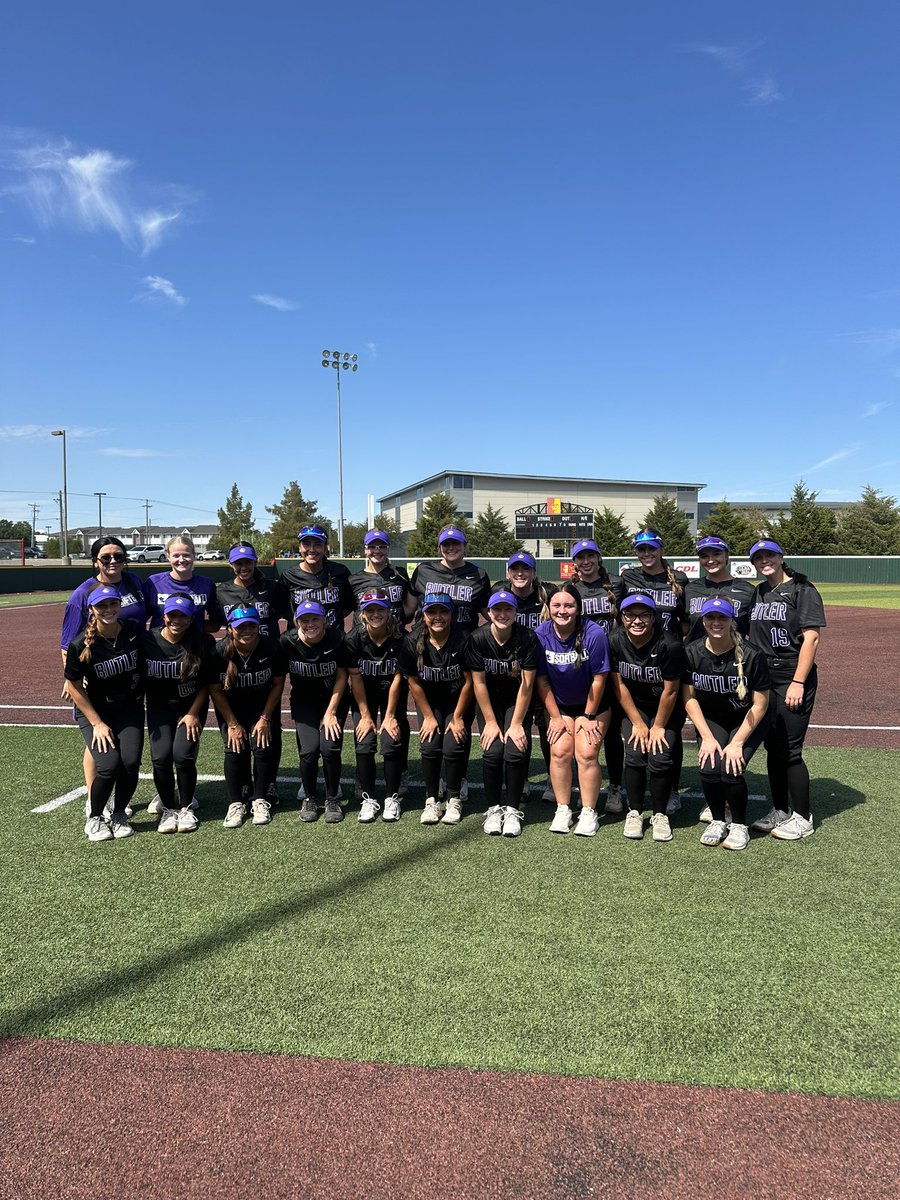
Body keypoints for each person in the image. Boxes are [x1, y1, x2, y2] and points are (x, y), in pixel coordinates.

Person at [60, 536, 148, 813]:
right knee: (98, 741)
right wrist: (72, 679)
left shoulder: (134, 583)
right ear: (95, 561)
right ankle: (94, 799)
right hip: (96, 674)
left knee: (124, 747)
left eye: (119, 556)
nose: (113, 562)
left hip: (126, 669)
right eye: (106, 557)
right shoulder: (83, 593)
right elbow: (67, 644)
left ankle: (116, 800)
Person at [746, 540, 826, 840]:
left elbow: (811, 639)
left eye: (769, 555)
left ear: (781, 558)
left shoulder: (803, 589)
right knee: (773, 746)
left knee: (790, 749)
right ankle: (780, 809)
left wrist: (798, 681)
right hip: (763, 677)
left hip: (791, 675)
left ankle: (803, 817)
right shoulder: (759, 592)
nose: (764, 560)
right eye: (758, 557)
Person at [682, 597, 771, 851]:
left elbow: (760, 705)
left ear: (732, 621)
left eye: (722, 617)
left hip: (747, 719)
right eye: (710, 617)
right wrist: (707, 737)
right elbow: (689, 698)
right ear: (703, 621)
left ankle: (740, 824)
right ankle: (719, 820)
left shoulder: (752, 654)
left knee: (731, 767)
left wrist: (737, 743)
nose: (716, 622)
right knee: (710, 766)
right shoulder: (692, 652)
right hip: (712, 719)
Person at [63, 586, 144, 842]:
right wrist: (97, 723)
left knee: (130, 763)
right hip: (95, 712)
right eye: (101, 606)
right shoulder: (80, 644)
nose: (108, 610)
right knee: (108, 765)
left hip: (129, 708)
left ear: (120, 605)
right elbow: (74, 687)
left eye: (113, 604)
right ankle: (95, 817)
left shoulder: (132, 630)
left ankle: (119, 814)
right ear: (91, 610)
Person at [534, 583, 611, 837]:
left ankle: (589, 811)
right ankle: (563, 808)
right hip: (560, 706)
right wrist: (555, 717)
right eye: (556, 605)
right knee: (559, 752)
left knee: (586, 753)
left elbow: (599, 679)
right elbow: (542, 681)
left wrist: (588, 716)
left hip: (594, 705)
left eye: (569, 605)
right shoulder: (541, 634)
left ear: (578, 608)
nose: (562, 610)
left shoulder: (594, 633)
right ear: (548, 607)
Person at [608, 595, 686, 842]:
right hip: (635, 706)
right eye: (630, 615)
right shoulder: (614, 640)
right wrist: (638, 723)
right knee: (634, 752)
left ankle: (660, 814)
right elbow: (619, 684)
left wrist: (659, 726)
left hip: (667, 707)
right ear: (622, 618)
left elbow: (671, 690)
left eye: (644, 615)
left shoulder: (670, 644)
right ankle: (635, 811)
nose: (637, 621)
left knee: (660, 754)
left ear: (654, 618)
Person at [398, 593, 475, 825]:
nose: (438, 617)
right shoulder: (412, 641)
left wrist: (458, 717)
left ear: (452, 614)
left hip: (457, 700)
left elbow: (470, 681)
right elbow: (413, 681)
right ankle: (431, 798)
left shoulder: (464, 638)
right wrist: (428, 716)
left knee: (453, 745)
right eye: (432, 611)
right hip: (429, 702)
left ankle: (453, 798)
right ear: (423, 615)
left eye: (443, 611)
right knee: (430, 746)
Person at [467, 590, 539, 837]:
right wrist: (489, 721)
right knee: (493, 751)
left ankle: (512, 810)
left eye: (508, 609)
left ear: (516, 612)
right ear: (488, 612)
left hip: (517, 700)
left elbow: (527, 685)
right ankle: (494, 809)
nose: (502, 614)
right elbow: (479, 683)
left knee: (515, 751)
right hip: (489, 702)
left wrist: (516, 723)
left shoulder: (527, 637)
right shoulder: (478, 638)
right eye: (497, 609)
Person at [207, 606, 286, 829]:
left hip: (263, 705)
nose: (247, 630)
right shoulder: (218, 652)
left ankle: (260, 799)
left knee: (263, 746)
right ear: (230, 628)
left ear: (258, 626)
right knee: (234, 748)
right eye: (241, 626)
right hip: (232, 708)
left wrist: (265, 718)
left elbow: (278, 684)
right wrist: (232, 724)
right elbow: (215, 690)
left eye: (251, 625)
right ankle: (236, 803)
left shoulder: (271, 647)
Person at [140, 595, 214, 833]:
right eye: (172, 614)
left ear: (191, 619)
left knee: (182, 756)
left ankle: (186, 807)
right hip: (159, 707)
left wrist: (193, 714)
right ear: (164, 616)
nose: (177, 620)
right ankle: (169, 809)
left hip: (190, 707)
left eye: (183, 616)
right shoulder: (148, 640)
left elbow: (207, 684)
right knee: (161, 758)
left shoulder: (203, 642)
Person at [493, 550, 557, 800]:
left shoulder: (547, 593)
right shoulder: (501, 593)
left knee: (547, 727)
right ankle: (522, 778)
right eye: (515, 569)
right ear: (508, 572)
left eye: (525, 569)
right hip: (514, 673)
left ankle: (554, 777)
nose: (520, 573)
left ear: (533, 572)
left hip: (544, 670)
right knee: (520, 726)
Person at [571, 538, 627, 817]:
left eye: (590, 556)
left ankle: (615, 786)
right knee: (581, 729)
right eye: (580, 557)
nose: (586, 561)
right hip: (584, 667)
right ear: (574, 562)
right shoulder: (572, 589)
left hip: (613, 663)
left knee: (613, 732)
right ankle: (583, 785)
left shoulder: (616, 584)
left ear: (598, 558)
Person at [280, 599, 349, 824]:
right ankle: (309, 797)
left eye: (315, 618)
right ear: (297, 621)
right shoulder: (287, 641)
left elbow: (342, 675)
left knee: (329, 748)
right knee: (309, 751)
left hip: (333, 699)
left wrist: (331, 712)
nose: (310, 624)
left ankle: (332, 798)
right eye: (305, 620)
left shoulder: (337, 638)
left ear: (325, 620)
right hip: (304, 701)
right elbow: (278, 676)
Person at [344, 588, 407, 823]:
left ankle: (392, 797)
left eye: (380, 609)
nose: (375, 614)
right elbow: (355, 678)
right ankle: (368, 798)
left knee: (391, 741)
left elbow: (398, 678)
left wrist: (389, 716)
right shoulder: (354, 639)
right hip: (364, 695)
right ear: (362, 613)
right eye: (370, 610)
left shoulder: (401, 638)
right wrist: (365, 715)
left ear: (389, 611)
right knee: (364, 742)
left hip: (392, 694)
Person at [410, 525, 491, 632]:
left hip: (464, 638)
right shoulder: (423, 571)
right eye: (446, 544)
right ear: (439, 547)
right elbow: (409, 609)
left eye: (456, 543)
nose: (451, 547)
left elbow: (489, 612)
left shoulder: (479, 575)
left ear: (464, 545)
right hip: (426, 637)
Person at [275, 525, 354, 630]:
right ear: (299, 547)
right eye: (306, 544)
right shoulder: (288, 576)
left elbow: (347, 607)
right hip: (300, 637)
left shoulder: (340, 572)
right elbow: (282, 610)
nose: (312, 549)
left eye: (318, 544)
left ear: (325, 548)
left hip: (333, 637)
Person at [143, 534, 224, 632]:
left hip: (194, 641)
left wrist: (196, 630)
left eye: (186, 555)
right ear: (168, 556)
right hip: (159, 641)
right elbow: (141, 618)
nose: (181, 560)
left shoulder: (206, 584)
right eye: (176, 556)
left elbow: (216, 622)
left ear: (194, 555)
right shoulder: (154, 583)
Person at [684, 536, 755, 642]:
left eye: (716, 554)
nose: (710, 560)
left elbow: (754, 631)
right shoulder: (690, 589)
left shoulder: (748, 590)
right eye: (704, 556)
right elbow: (683, 626)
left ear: (726, 556)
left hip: (735, 651)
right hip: (695, 651)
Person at [619, 531, 688, 640]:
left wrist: (674, 638)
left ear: (661, 550)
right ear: (636, 552)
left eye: (652, 548)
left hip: (669, 646)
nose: (647, 553)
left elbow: (686, 620)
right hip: (637, 645)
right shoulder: (628, 577)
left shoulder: (679, 578)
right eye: (641, 549)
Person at [348, 529, 418, 628]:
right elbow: (346, 609)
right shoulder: (354, 580)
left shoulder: (400, 574)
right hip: (364, 635)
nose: (377, 551)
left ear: (387, 549)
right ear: (365, 550)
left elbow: (409, 607)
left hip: (395, 634)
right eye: (372, 547)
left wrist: (399, 621)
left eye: (382, 547)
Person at [216, 542, 279, 639]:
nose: (244, 568)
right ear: (231, 564)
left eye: (248, 562)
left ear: (255, 562)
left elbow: (283, 613)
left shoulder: (271, 587)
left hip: (269, 646)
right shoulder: (221, 592)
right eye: (238, 563)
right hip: (237, 646)